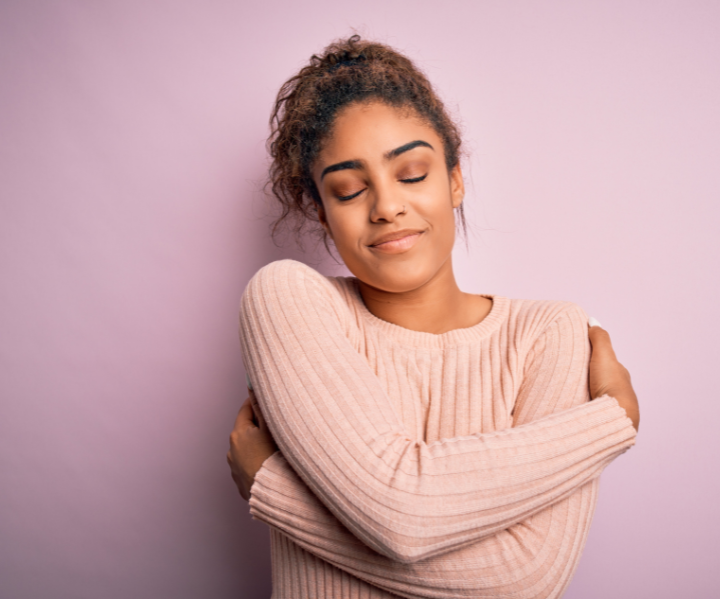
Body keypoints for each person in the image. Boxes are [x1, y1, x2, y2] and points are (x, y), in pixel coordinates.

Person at [227, 35, 640, 599]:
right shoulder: (289, 300)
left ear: (455, 180)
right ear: (321, 214)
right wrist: (609, 423)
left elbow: (523, 581)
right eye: (348, 189)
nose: (386, 206)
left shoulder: (549, 333)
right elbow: (399, 516)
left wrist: (276, 493)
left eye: (413, 173)